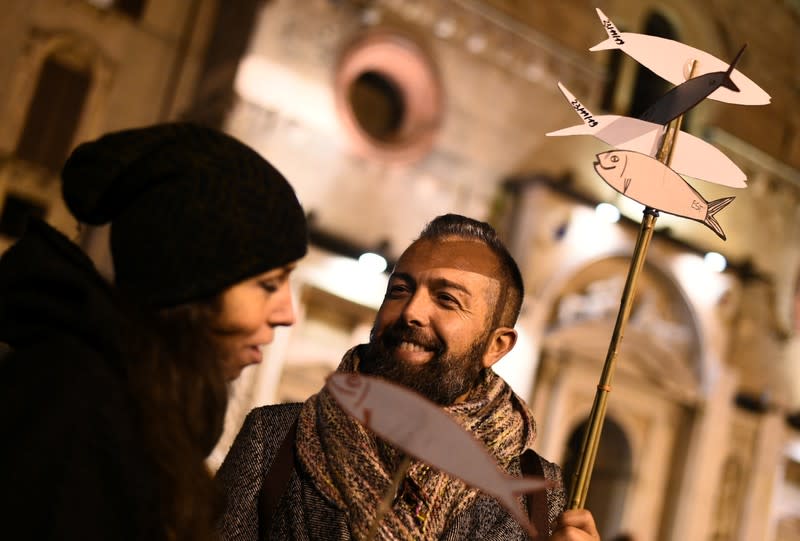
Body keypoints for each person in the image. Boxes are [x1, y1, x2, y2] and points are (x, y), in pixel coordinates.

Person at [0, 123, 308, 541]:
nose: (288, 313)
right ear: (189, 281)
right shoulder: (72, 401)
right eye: (268, 284)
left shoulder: (151, 408)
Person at [216, 213, 599, 540]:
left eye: (447, 299)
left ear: (496, 346)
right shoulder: (275, 437)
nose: (411, 311)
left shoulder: (536, 491)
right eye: (400, 290)